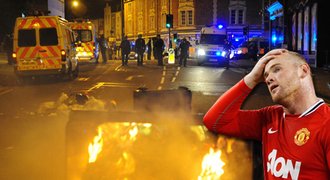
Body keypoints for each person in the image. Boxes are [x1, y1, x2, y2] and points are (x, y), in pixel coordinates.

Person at [203, 49, 330, 179]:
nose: (268, 78)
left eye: (277, 69)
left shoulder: (326, 122)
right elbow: (214, 121)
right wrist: (252, 78)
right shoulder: (270, 118)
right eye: (265, 75)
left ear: (303, 71)